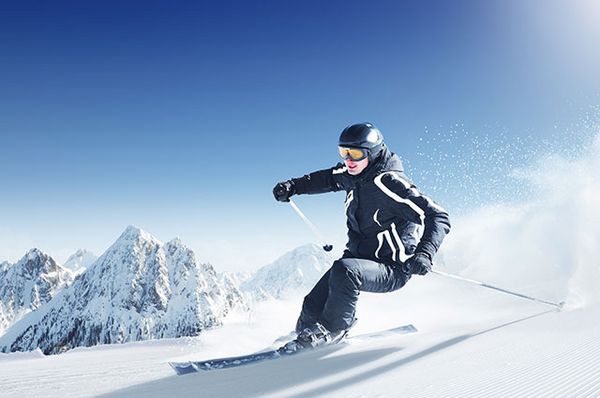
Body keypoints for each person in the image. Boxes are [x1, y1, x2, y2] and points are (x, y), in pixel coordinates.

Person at [272, 122, 451, 350]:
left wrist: (425, 253)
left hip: (392, 267)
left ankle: (332, 331)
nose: (348, 160)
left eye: (355, 153)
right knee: (311, 305)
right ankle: (303, 337)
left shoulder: (390, 183)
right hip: (358, 259)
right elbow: (326, 178)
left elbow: (438, 216)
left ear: (373, 153)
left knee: (346, 270)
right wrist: (292, 186)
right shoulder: (352, 174)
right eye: (343, 152)